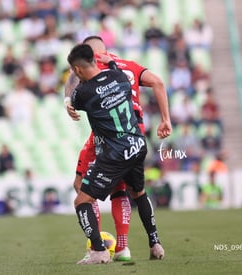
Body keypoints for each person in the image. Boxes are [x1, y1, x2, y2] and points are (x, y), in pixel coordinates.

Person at [64, 36, 172, 262]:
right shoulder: (120, 75)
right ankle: (154, 244)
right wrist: (111, 63)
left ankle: (98, 250)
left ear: (78, 67)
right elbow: (154, 82)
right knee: (137, 193)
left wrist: (68, 101)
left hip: (112, 149)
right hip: (137, 142)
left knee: (81, 199)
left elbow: (74, 94)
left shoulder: (84, 92)